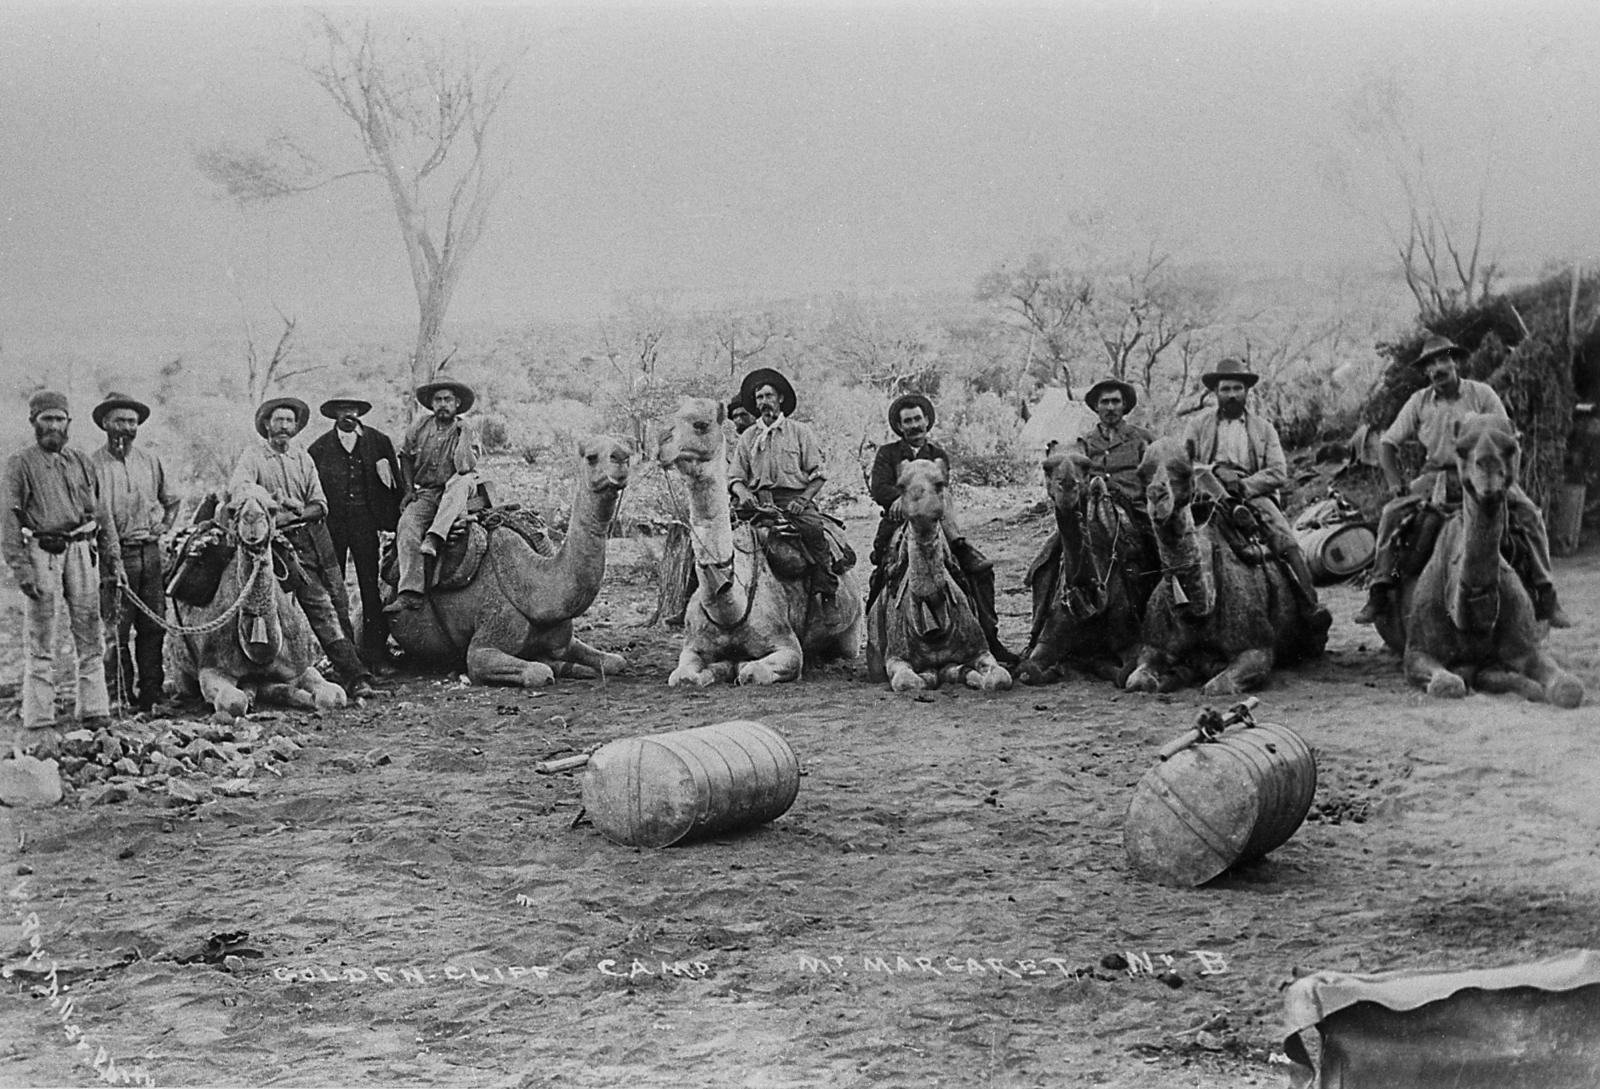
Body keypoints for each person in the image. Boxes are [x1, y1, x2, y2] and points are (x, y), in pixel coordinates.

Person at [1353, 334, 1570, 627]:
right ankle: (1379, 591)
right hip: (1436, 475)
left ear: (1455, 361)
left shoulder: (1481, 395)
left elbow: (1506, 438)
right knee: (1391, 514)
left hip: (1480, 473)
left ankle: (1546, 593)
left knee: (1530, 514)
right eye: (1430, 365)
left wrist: (1504, 477)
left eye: (1443, 360)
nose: (1437, 369)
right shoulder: (1419, 402)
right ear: (1426, 372)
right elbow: (1387, 443)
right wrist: (1395, 482)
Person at [230, 397, 376, 699]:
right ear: (266, 424)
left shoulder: (302, 458)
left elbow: (319, 504)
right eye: (278, 420)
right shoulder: (253, 456)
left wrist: (292, 511)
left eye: (289, 421)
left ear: (296, 427)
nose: (284, 426)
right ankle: (271, 673)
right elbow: (241, 493)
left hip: (313, 540)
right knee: (287, 608)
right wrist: (268, 504)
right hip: (276, 547)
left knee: (334, 603)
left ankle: (353, 675)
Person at [1, 391, 121, 743]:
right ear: (33, 422)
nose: (53, 425)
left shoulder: (82, 461)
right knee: (41, 635)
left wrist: (111, 559)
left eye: (59, 419)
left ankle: (95, 709)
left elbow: (101, 514)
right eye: (46, 419)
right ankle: (39, 717)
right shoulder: (20, 464)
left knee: (89, 629)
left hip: (83, 551)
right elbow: (9, 518)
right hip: (43, 551)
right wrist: (21, 568)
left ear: (69, 423)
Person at [868, 392, 1016, 665]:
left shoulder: (938, 456)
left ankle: (988, 636)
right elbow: (879, 487)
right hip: (898, 521)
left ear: (927, 421)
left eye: (918, 419)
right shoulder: (887, 454)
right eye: (907, 421)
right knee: (884, 576)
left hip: (937, 524)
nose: (914, 426)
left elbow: (942, 489)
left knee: (978, 571)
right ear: (900, 427)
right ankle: (881, 642)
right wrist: (901, 500)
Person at [1182, 358, 1327, 623]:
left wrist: (1243, 485)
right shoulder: (1197, 425)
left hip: (1252, 492)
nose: (1232, 395)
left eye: (1237, 388)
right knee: (1176, 538)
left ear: (1247, 391)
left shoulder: (1263, 429)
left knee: (1285, 539)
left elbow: (1277, 472)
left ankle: (1309, 602)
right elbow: (1185, 462)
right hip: (1207, 490)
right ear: (1216, 392)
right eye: (1225, 389)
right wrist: (1213, 472)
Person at [90, 392, 180, 712]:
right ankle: (119, 696)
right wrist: (111, 558)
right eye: (119, 421)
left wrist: (164, 528)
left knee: (153, 625)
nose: (126, 427)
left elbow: (172, 501)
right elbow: (95, 516)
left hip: (150, 553)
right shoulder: (93, 465)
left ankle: (152, 694)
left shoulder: (150, 461)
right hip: (115, 556)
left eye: (132, 422)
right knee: (116, 629)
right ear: (105, 424)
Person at [307, 393, 402, 667]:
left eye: (353, 409)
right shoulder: (319, 449)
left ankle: (375, 653)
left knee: (370, 587)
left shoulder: (378, 442)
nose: (348, 414)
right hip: (332, 527)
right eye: (342, 409)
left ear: (360, 412)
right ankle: (341, 656)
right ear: (334, 414)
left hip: (366, 524)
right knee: (334, 589)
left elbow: (395, 483)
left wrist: (393, 519)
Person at [730, 368, 840, 602]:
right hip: (757, 503)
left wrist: (803, 500)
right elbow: (735, 477)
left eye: (769, 396)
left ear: (780, 398)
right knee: (719, 538)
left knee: (813, 530)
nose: (764, 402)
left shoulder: (800, 432)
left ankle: (826, 588)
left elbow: (818, 474)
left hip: (792, 501)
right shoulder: (748, 437)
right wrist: (743, 492)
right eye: (759, 398)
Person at [392, 379, 481, 611]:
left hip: (459, 488)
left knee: (460, 481)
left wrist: (465, 434)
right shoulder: (419, 426)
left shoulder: (466, 429)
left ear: (457, 403)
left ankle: (435, 536)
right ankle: (410, 590)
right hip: (429, 491)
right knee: (407, 524)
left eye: (447, 400)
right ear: (431, 404)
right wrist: (409, 489)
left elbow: (464, 466)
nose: (443, 405)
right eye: (438, 400)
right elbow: (405, 457)